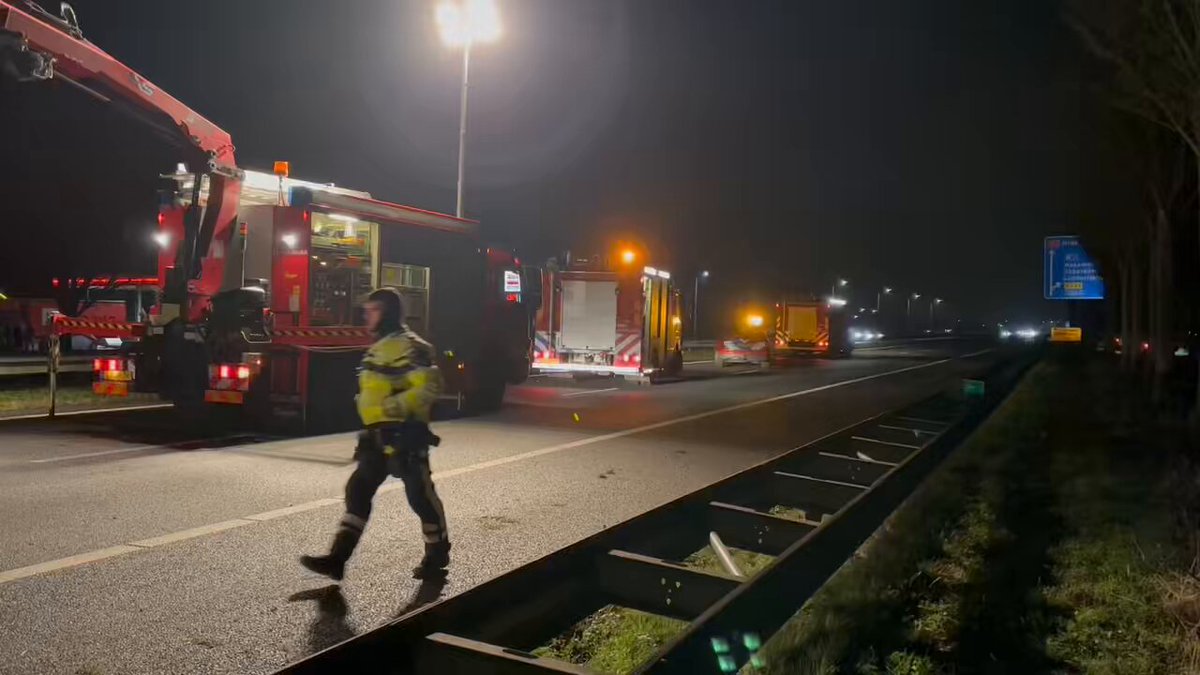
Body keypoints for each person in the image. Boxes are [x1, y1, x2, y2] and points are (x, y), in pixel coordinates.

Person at [301, 287, 450, 581]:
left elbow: (429, 386)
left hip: (405, 435)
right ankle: (337, 559)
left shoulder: (412, 346)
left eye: (372, 310)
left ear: (388, 313)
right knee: (358, 490)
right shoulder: (379, 346)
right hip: (376, 435)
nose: (366, 316)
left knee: (419, 496)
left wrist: (393, 408)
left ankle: (437, 553)